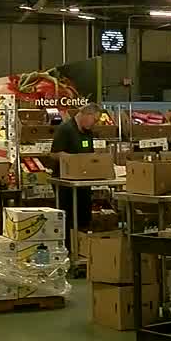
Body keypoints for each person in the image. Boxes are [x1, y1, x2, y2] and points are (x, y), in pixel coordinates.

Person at [49, 103, 100, 248]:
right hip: (64, 183)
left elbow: (88, 153)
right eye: (94, 120)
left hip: (83, 182)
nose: (94, 124)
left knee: (84, 217)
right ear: (86, 115)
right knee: (68, 218)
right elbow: (53, 154)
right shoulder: (65, 129)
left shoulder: (87, 132)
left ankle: (83, 248)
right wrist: (72, 160)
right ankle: (68, 249)